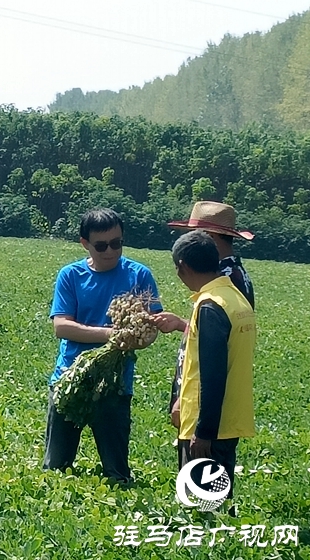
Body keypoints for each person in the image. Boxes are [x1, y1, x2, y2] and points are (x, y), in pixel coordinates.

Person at [44, 207, 162, 481]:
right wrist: (112, 336)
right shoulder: (71, 275)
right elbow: (61, 326)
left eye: (117, 243)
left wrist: (138, 338)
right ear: (84, 243)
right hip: (70, 376)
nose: (110, 251)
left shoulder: (139, 275)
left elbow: (152, 327)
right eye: (101, 245)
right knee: (56, 468)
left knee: (117, 472)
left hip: (116, 382)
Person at [166, 230, 256, 507]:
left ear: (182, 266)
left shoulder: (209, 307)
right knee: (219, 499)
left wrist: (203, 431)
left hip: (208, 427)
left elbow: (213, 374)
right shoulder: (234, 297)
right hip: (230, 419)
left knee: (202, 506)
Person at [153, 200, 255, 432]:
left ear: (210, 237)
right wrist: (181, 324)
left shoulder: (227, 277)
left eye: (195, 234)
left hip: (205, 404)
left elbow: (217, 345)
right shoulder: (232, 273)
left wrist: (187, 402)